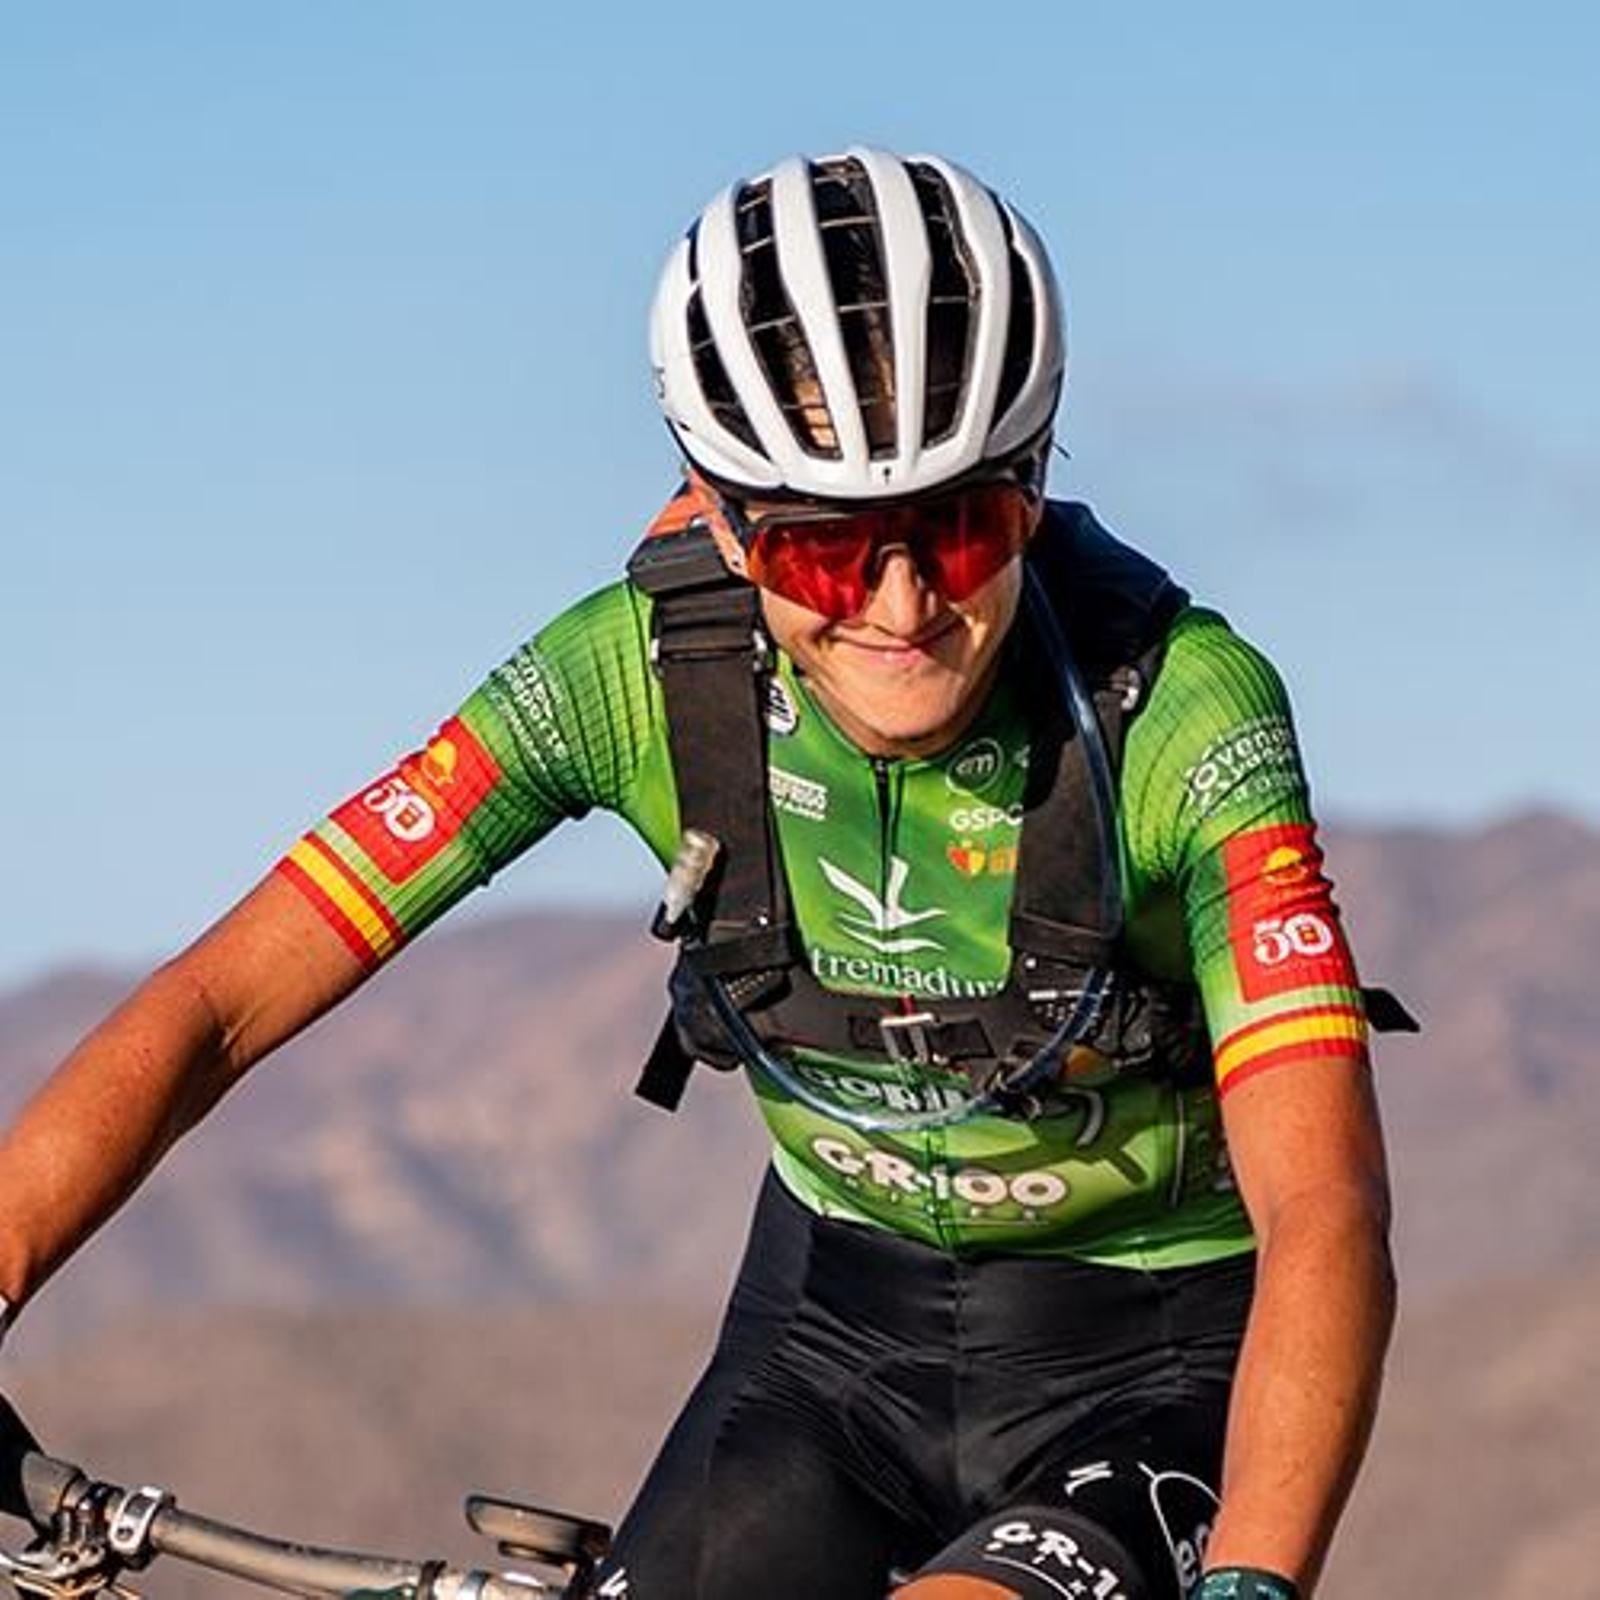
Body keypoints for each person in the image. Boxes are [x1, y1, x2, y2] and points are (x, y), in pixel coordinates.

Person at [0, 148, 1398, 1599]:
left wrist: (1255, 1578)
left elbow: (1326, 1205)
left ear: (1035, 486)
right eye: (825, 551)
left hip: (1151, 1360)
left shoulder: (1185, 714)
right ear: (724, 520)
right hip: (827, 1343)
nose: (903, 604)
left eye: (959, 526)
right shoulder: (627, 674)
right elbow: (223, 999)